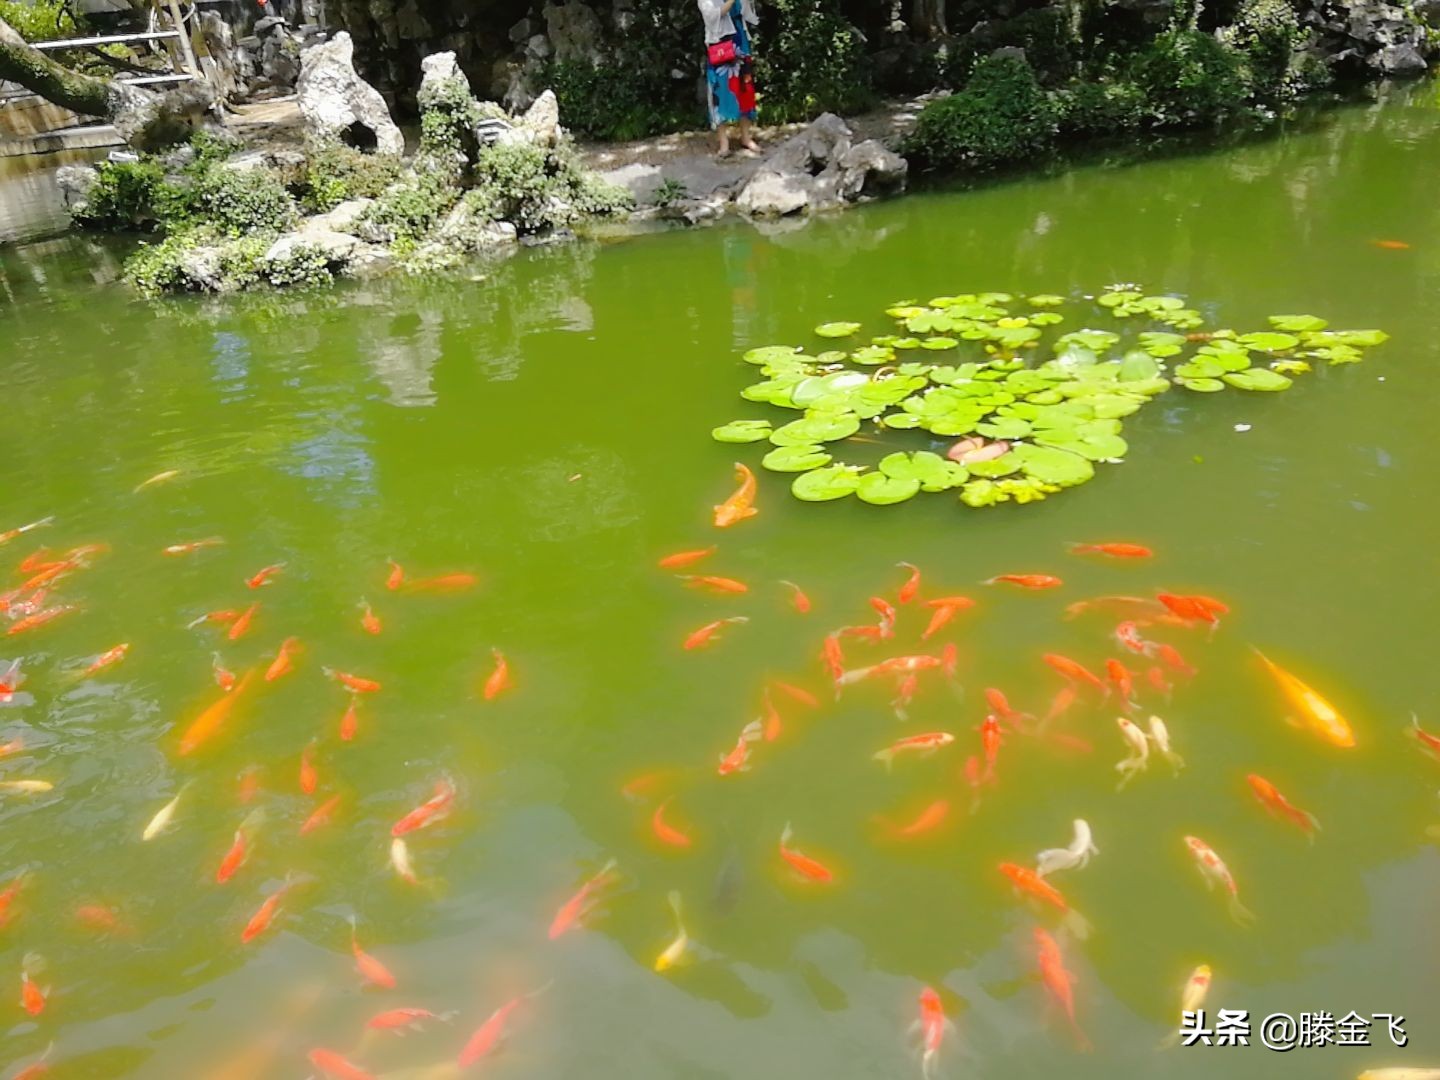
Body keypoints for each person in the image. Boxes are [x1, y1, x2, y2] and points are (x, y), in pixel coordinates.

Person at [698, 0, 760, 157]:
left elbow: (747, 11)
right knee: (720, 91)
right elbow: (712, 16)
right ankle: (723, 143)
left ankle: (746, 137)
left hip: (740, 41)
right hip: (720, 44)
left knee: (744, 88)